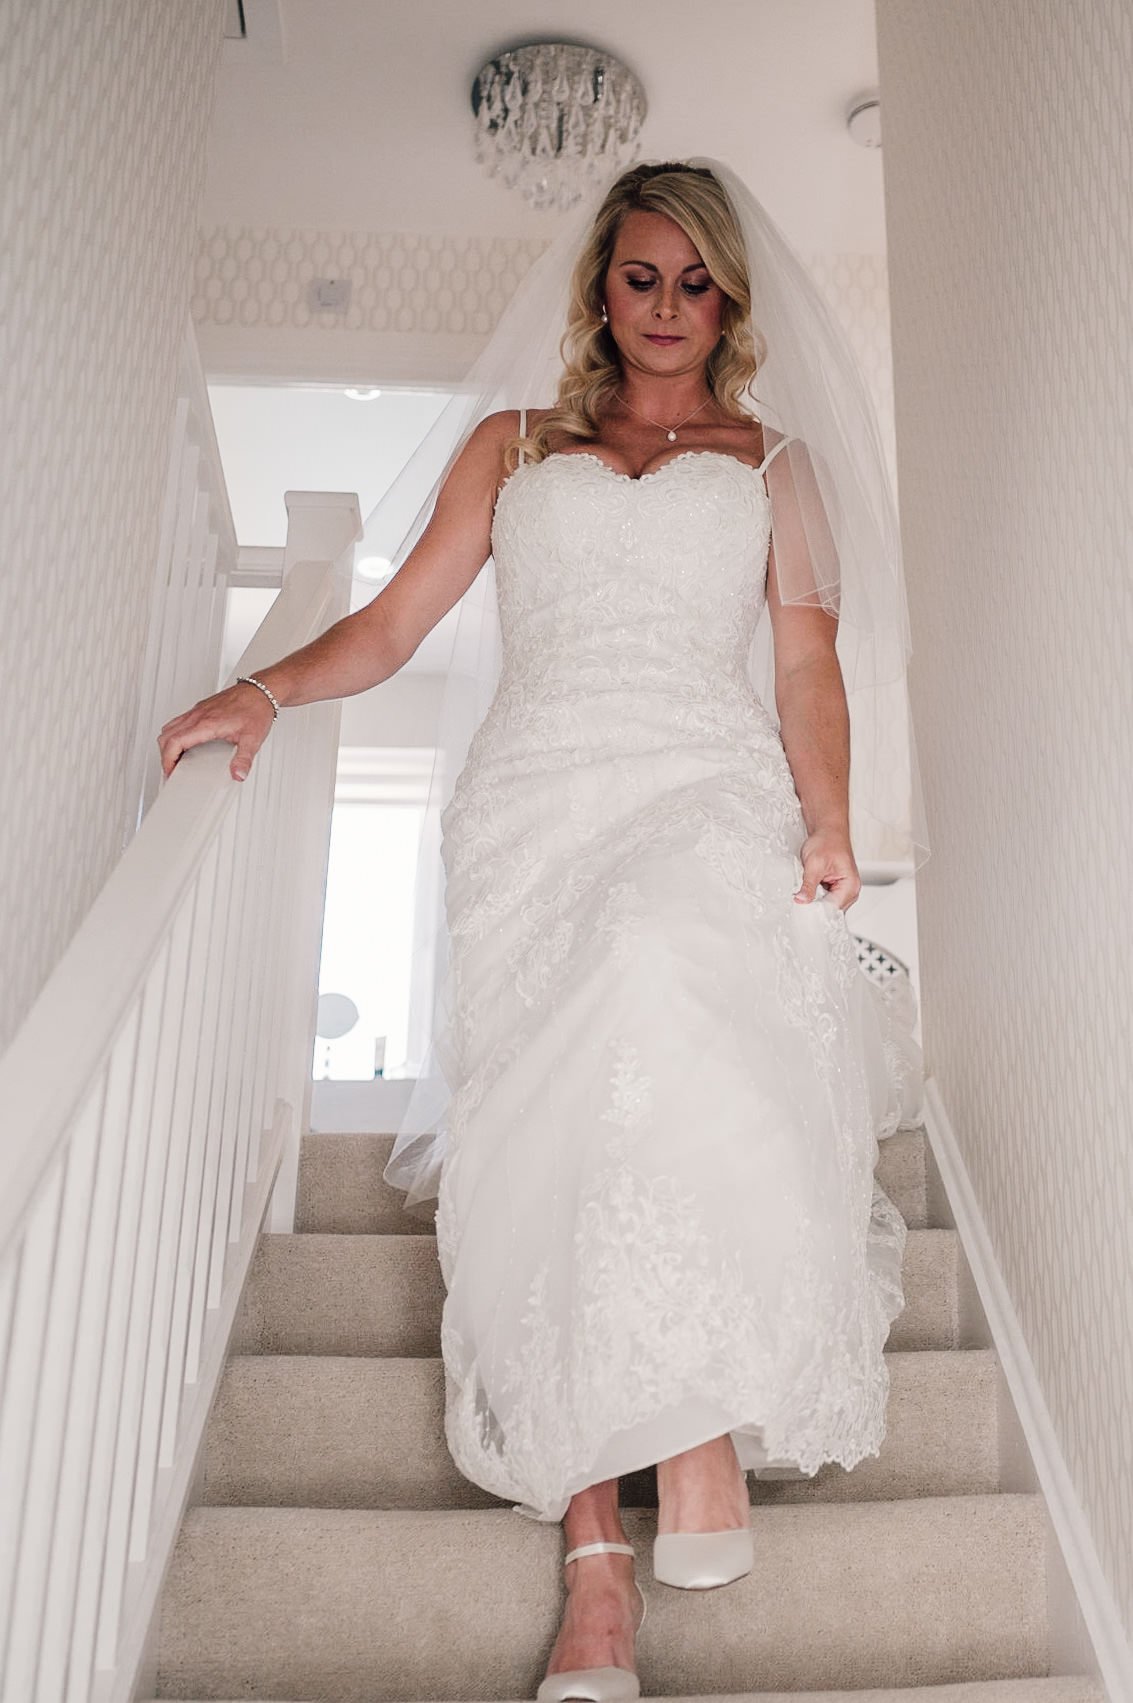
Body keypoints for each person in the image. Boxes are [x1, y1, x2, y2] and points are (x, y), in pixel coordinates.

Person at [158, 160, 924, 1703]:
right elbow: (393, 625)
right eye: (640, 278)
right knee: (550, 1136)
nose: (665, 310)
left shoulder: (770, 461)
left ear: (730, 297)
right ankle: (596, 1578)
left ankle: (696, 1434)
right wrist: (263, 688)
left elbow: (804, 672)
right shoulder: (513, 448)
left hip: (705, 787)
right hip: (533, 805)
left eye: (694, 283)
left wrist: (828, 816)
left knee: (655, 986)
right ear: (600, 285)